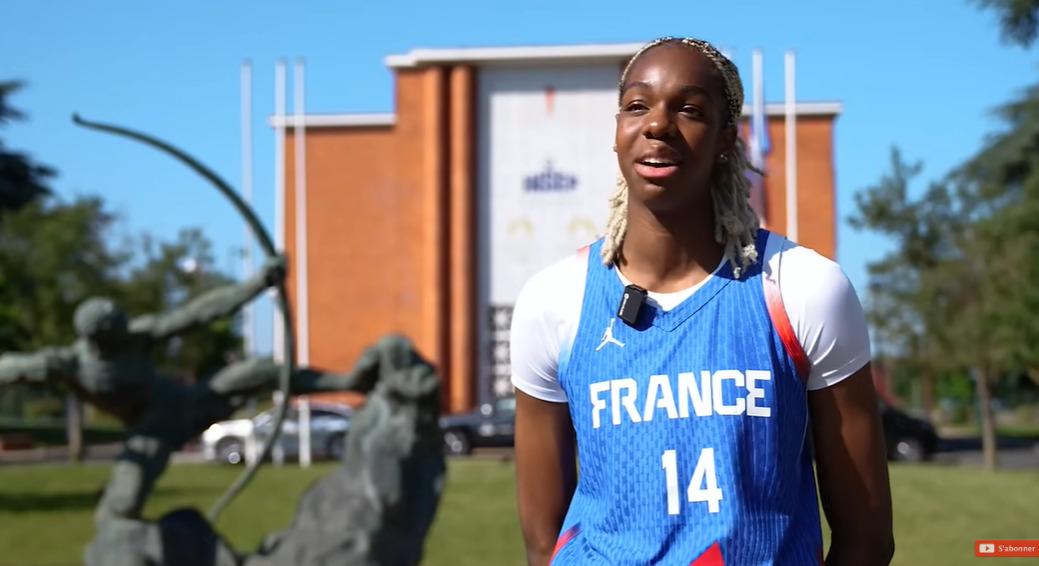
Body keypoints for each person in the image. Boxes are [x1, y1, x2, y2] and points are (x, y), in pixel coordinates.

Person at [511, 37, 893, 565]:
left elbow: (866, 539)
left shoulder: (802, 287)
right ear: (617, 131)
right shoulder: (554, 299)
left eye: (689, 110)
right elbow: (542, 541)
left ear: (726, 140)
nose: (658, 125)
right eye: (637, 106)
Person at [0, 255, 371, 522]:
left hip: (184, 402)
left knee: (257, 371)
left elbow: (195, 314)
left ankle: (346, 382)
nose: (126, 331)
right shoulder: (70, 363)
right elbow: (14, 367)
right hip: (151, 430)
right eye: (117, 330)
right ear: (99, 340)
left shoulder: (137, 336)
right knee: (122, 505)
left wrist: (257, 284)